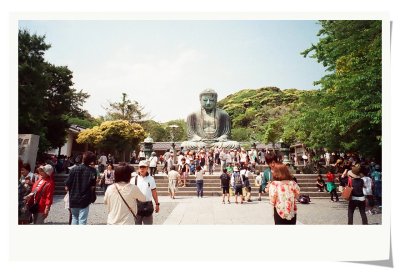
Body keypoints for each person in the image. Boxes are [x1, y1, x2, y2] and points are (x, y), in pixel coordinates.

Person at [65, 151, 97, 225]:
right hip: (85, 197)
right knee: (82, 219)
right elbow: (93, 186)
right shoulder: (93, 171)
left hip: (73, 196)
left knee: (74, 217)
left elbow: (67, 184)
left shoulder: (74, 169)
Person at [131, 160, 160, 225]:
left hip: (147, 206)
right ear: (138, 168)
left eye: (144, 167)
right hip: (136, 206)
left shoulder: (151, 179)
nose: (142, 169)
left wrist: (157, 204)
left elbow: (154, 192)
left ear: (147, 168)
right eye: (140, 167)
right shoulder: (133, 180)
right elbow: (130, 194)